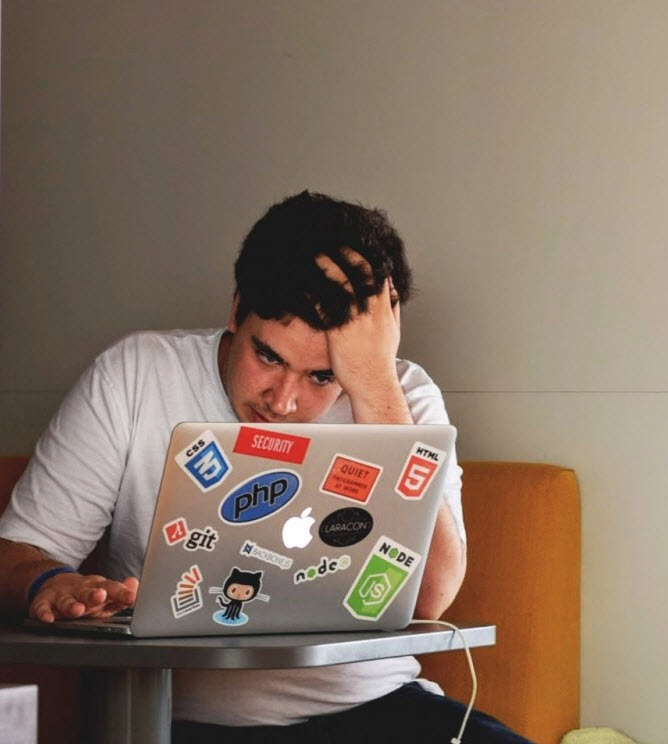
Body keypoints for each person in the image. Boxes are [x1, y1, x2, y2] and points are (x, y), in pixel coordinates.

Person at [0, 191, 535, 743]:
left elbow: (432, 597)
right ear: (236, 309)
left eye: (323, 377)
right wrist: (52, 582)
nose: (282, 402)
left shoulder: (403, 396)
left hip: (373, 709)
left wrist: (374, 382)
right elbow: (16, 552)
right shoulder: (136, 376)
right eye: (268, 357)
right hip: (173, 720)